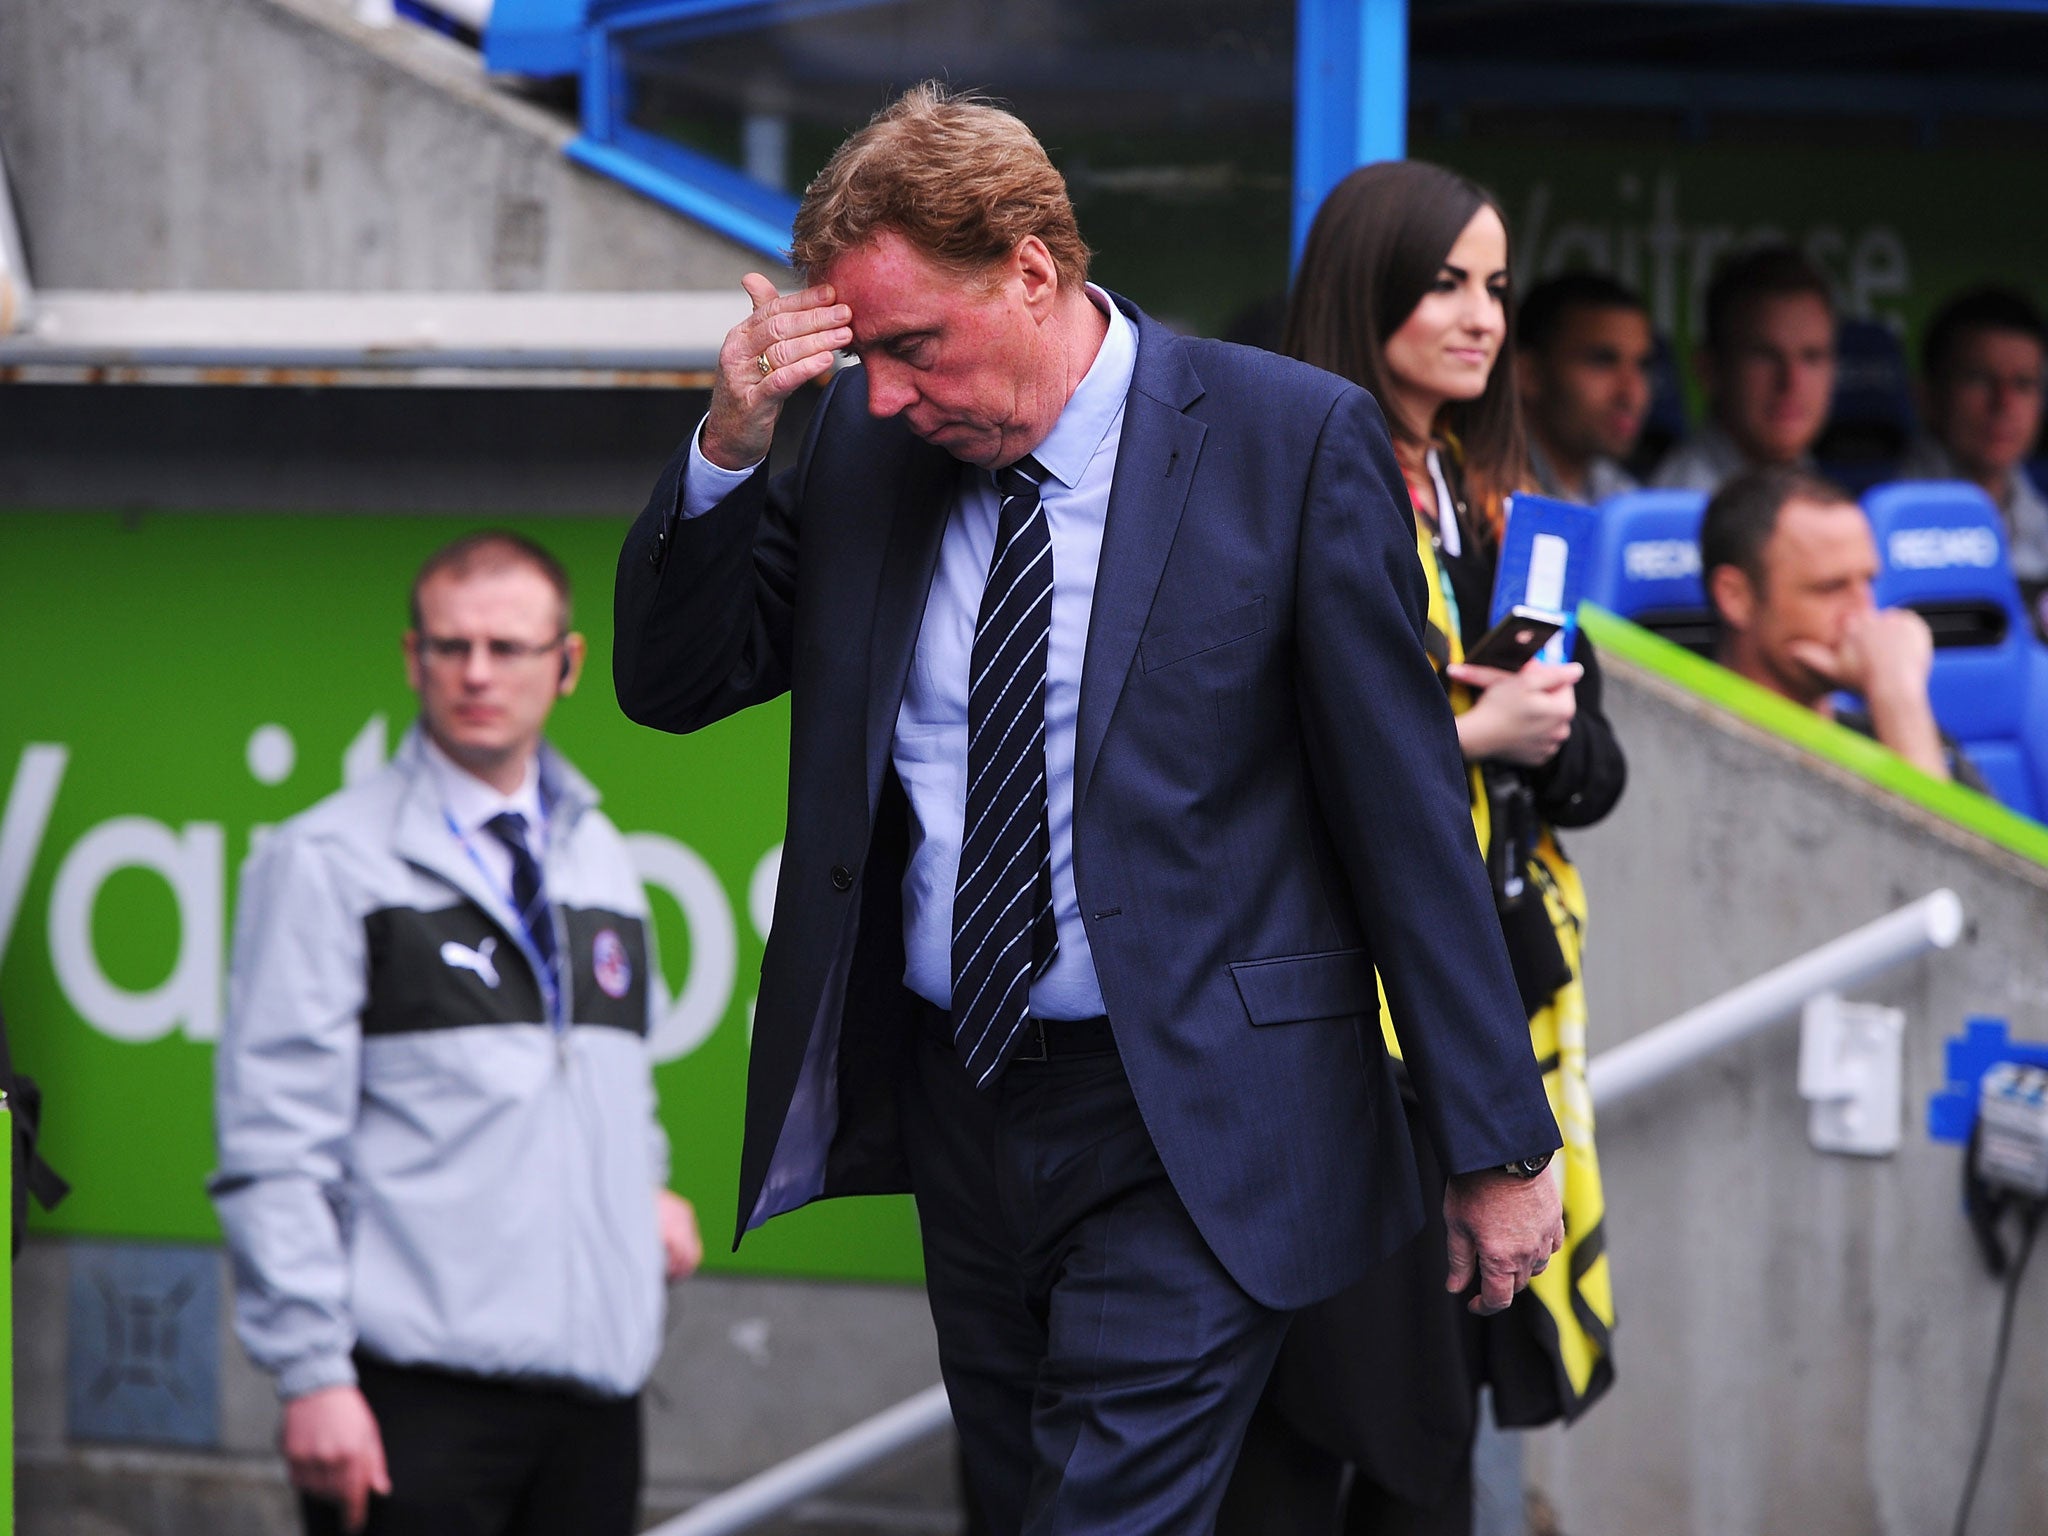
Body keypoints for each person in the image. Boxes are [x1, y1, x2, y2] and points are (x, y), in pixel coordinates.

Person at [613, 85, 1564, 1536]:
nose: (882, 391)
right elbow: (676, 681)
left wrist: (1499, 1144)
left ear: (1033, 269)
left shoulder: (1289, 442)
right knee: (1020, 1507)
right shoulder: (872, 450)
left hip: (1199, 1114)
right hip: (964, 1096)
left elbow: (1408, 815)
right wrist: (734, 443)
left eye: (913, 345)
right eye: (863, 355)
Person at [1214, 161, 1625, 1536]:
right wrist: (1464, 735)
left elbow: (1594, 774)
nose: (1481, 316)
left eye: (1498, 286)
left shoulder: (1502, 500)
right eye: (1446, 280)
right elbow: (1236, 769)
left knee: (1434, 1437)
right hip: (1332, 1031)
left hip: (1495, 1006)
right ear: (1364, 284)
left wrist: (1540, 729)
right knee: (1318, 1429)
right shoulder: (1269, 480)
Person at [211, 532, 703, 1536]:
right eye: (450, 646)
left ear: (564, 666)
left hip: (596, 1398)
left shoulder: (598, 852)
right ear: (412, 658)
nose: (475, 673)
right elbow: (274, 1144)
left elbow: (610, 1082)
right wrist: (310, 1376)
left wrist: (636, 1188)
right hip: (412, 1406)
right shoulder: (326, 861)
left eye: (506, 648)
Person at [1701, 466, 1987, 790]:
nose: (1862, 614)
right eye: (1830, 588)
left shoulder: (1897, 731)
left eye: (1867, 582)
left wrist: (1898, 697)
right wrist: (1895, 694)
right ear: (1736, 597)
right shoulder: (1683, 748)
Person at [1897, 286, 2048, 637]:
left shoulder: (2043, 524)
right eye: (1979, 379)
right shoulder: (1869, 522)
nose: (2004, 404)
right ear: (1927, 395)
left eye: (2023, 384)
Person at [1653, 244, 1838, 494]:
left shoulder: (1811, 482)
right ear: (1710, 369)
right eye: (1765, 355)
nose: (1791, 381)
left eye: (1812, 357)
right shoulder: (1679, 506)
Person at [1515, 270, 1655, 505]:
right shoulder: (1485, 491)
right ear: (1529, 374)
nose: (1631, 393)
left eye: (1643, 366)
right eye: (1602, 361)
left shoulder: (1622, 495)